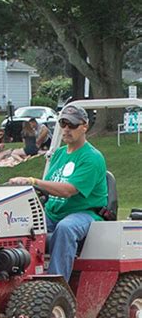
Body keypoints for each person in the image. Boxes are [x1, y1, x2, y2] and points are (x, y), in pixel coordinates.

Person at [9, 105, 108, 281]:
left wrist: (33, 181)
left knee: (66, 228)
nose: (67, 129)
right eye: (63, 124)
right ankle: (19, 279)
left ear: (84, 126)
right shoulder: (58, 154)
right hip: (53, 213)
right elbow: (46, 188)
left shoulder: (92, 157)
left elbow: (68, 190)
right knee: (18, 225)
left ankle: (55, 284)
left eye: (72, 125)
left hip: (85, 213)